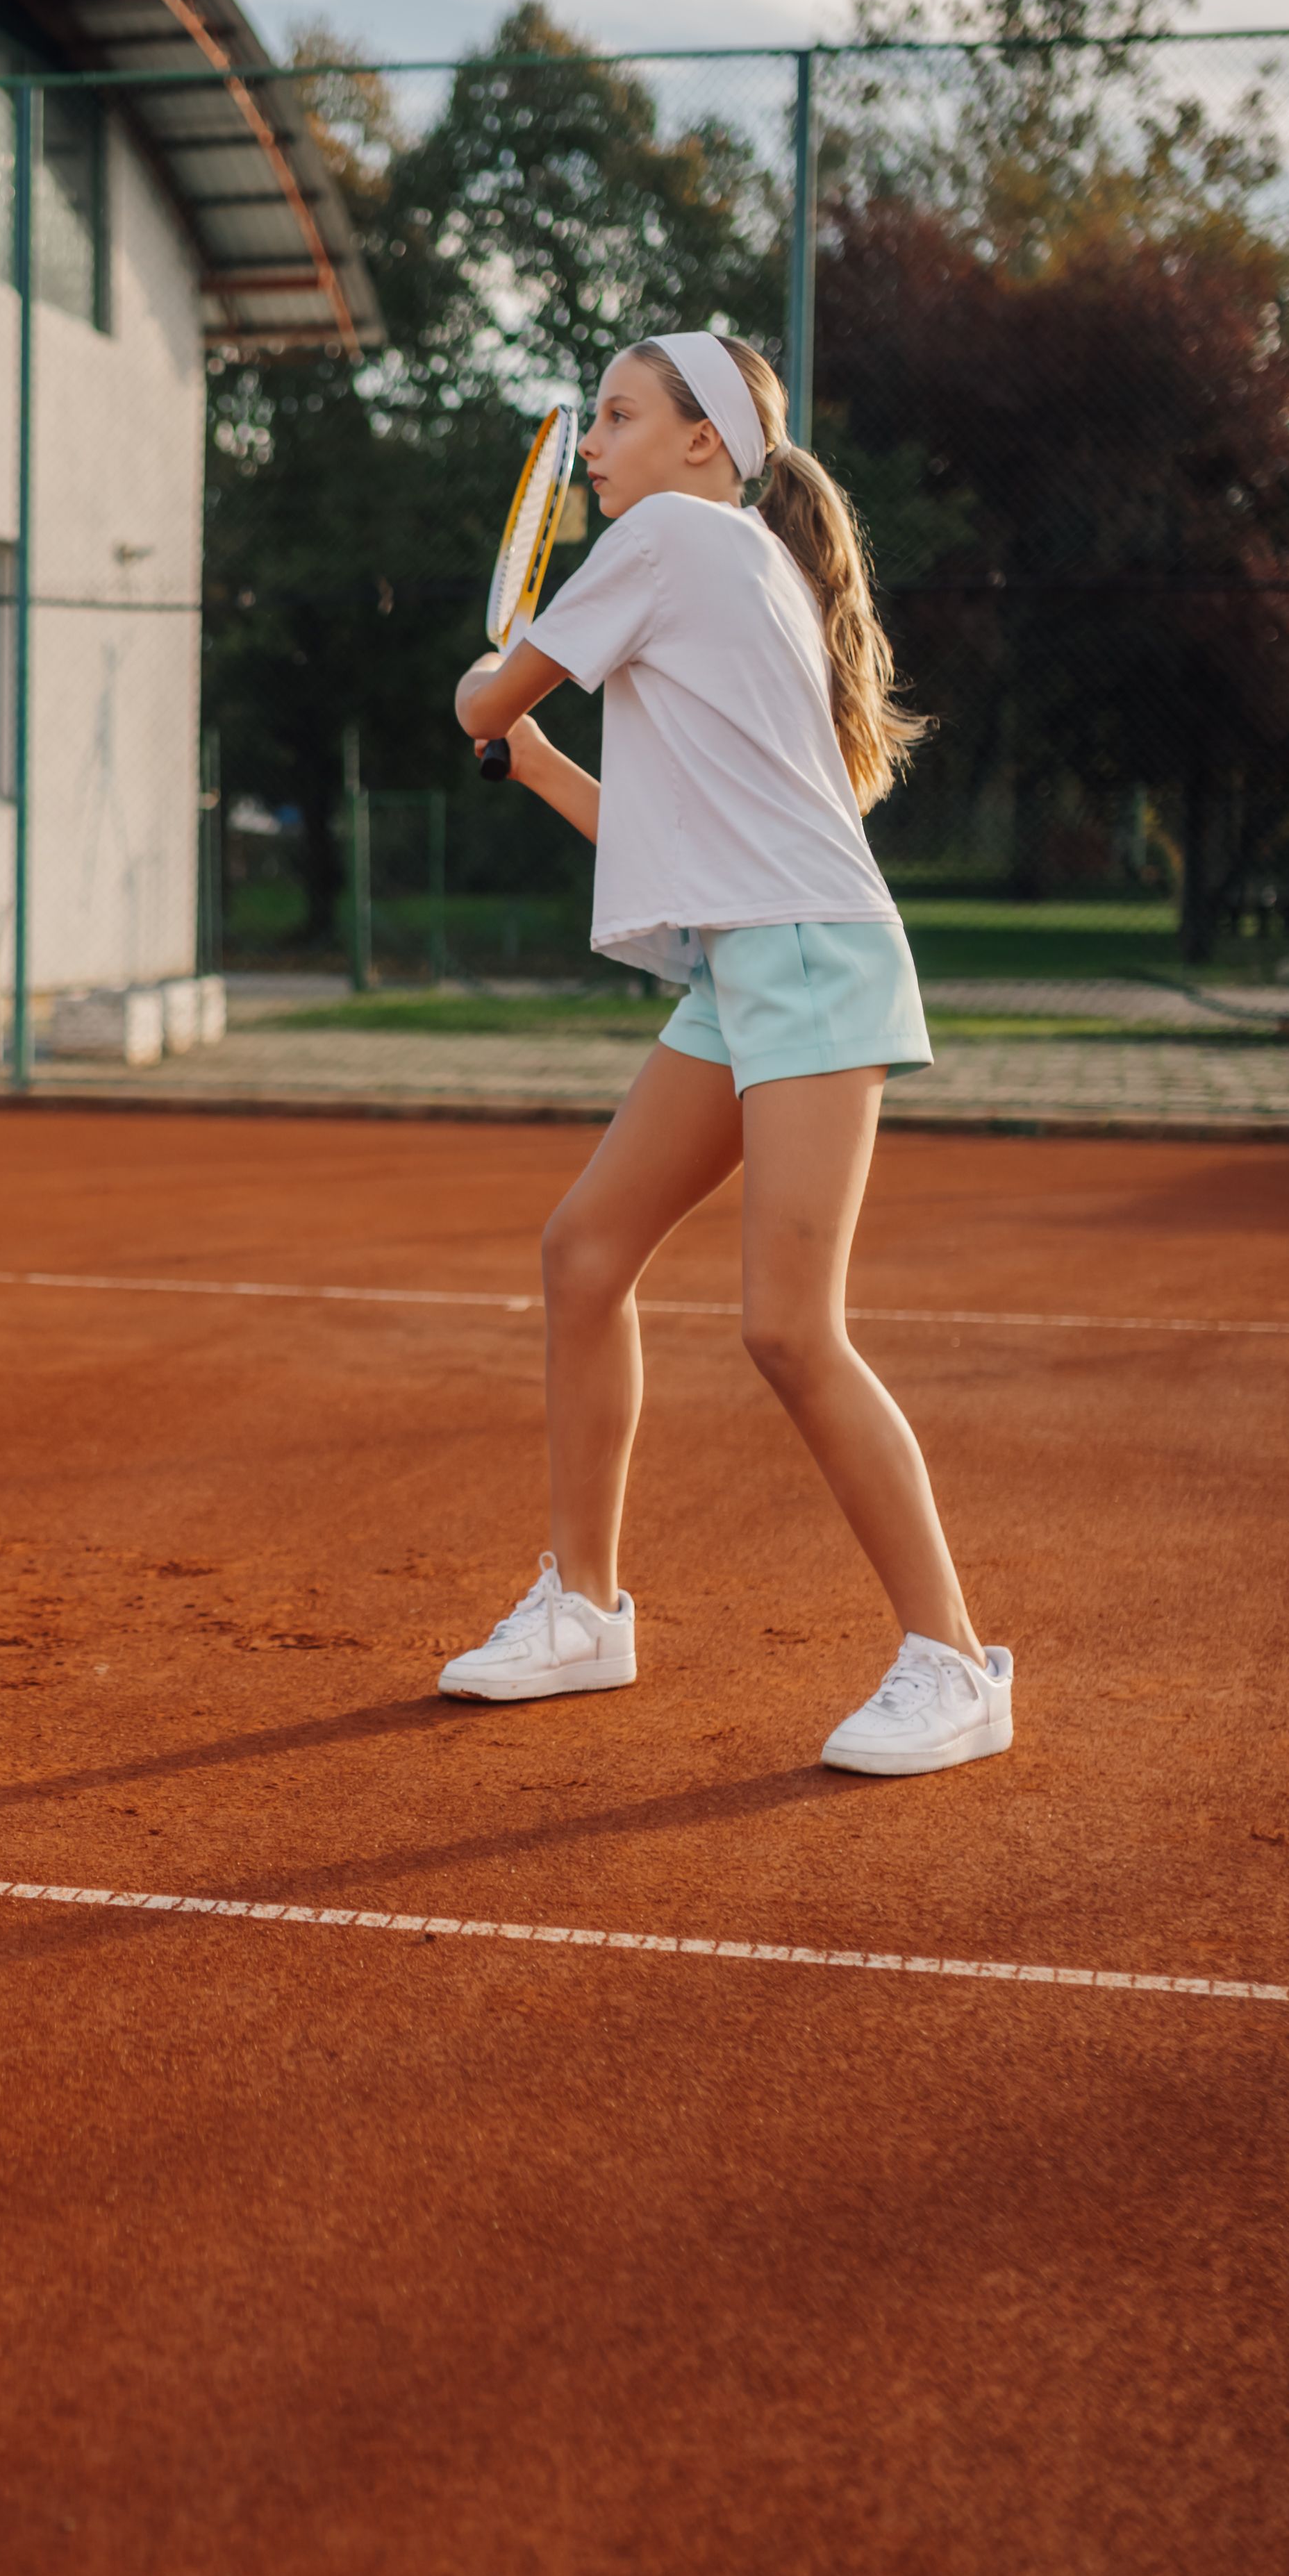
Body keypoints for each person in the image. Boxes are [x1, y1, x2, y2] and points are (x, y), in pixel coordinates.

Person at [436, 331, 1013, 1777]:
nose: (595, 449)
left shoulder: (680, 538)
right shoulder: (734, 565)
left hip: (808, 959)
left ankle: (954, 1660)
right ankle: (584, 1609)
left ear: (706, 444)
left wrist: (480, 698)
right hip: (753, 963)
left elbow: (488, 700)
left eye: (620, 418)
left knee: (787, 1329)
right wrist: (536, 756)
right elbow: (648, 827)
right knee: (585, 1255)